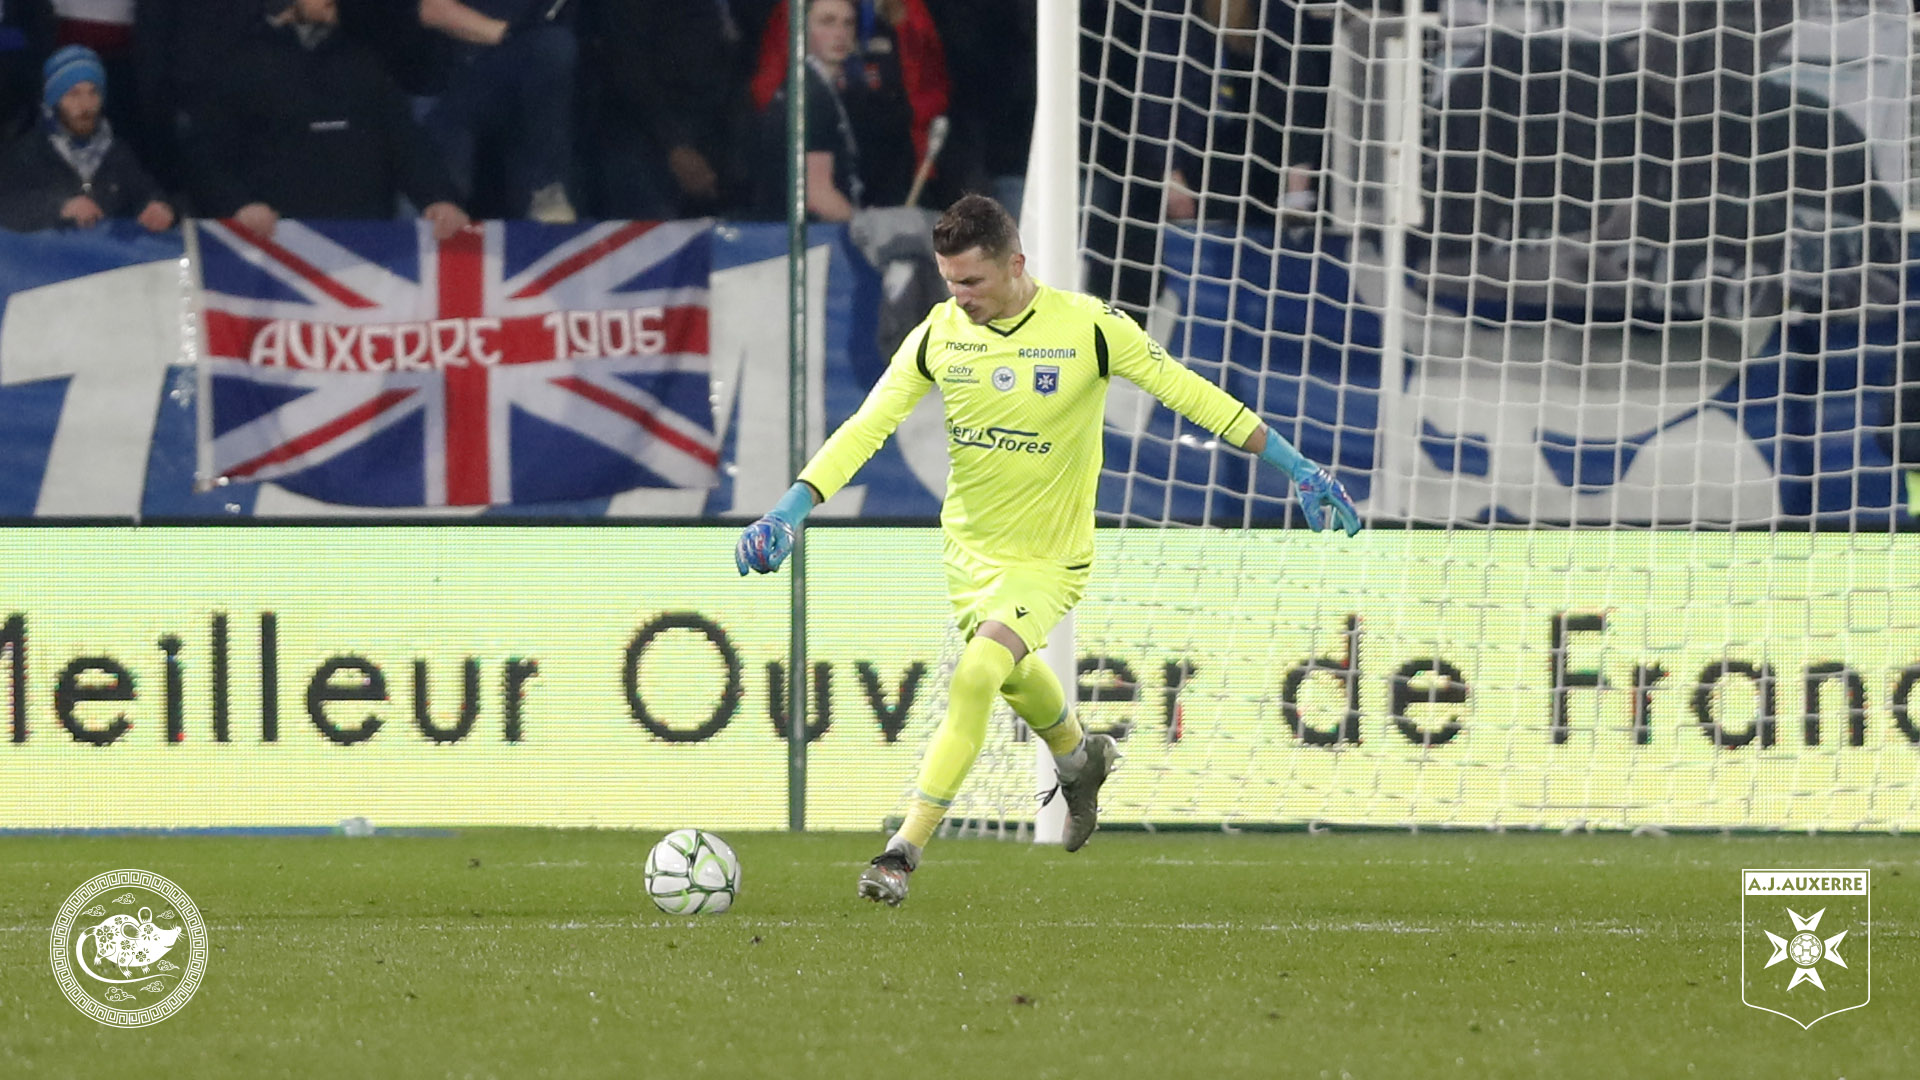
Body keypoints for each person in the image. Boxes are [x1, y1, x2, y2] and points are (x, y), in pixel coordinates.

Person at [734, 195, 1362, 905]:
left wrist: (1298, 467)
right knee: (1009, 673)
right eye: (950, 281)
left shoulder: (1090, 329)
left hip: (1051, 556)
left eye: (971, 282)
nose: (959, 297)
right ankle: (1077, 755)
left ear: (1016, 265)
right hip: (969, 552)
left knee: (976, 673)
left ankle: (901, 851)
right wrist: (793, 507)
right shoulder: (939, 334)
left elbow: (1197, 397)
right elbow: (865, 426)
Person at [187, 0, 467, 242]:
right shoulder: (239, 65)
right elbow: (207, 156)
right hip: (278, 252)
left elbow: (405, 141)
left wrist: (439, 197)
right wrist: (239, 206)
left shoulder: (363, 59)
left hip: (367, 245)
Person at [415, 0, 577, 223]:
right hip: (444, 84)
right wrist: (510, 34)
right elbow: (432, 9)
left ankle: (545, 194)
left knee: (556, 50)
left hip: (527, 82)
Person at [0, 43, 173, 233]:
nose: (86, 105)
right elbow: (9, 206)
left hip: (110, 258)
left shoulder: (117, 153)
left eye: (93, 92)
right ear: (54, 101)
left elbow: (147, 192)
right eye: (74, 94)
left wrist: (160, 207)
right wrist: (61, 208)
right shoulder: (27, 152)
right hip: (46, 258)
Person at [751, 0, 864, 222]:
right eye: (827, 22)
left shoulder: (815, 88)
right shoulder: (811, 95)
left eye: (848, 23)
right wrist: (866, 228)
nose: (839, 33)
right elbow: (816, 194)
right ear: (801, 28)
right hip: (806, 238)